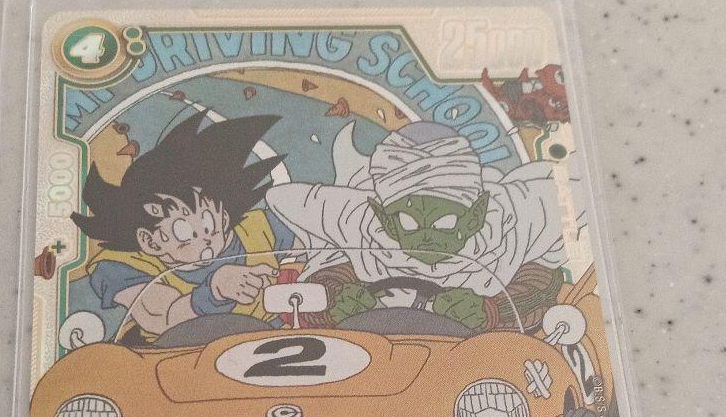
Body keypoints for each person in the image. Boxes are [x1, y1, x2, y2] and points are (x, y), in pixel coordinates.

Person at [265, 121, 567, 330]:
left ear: (476, 215)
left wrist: (492, 309)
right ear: (385, 220)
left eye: (445, 222)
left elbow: (542, 283)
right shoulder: (360, 230)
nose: (426, 238)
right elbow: (328, 277)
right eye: (409, 223)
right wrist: (337, 299)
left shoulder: (518, 221)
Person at [71, 111, 293, 339]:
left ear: (224, 217)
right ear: (149, 241)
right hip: (176, 353)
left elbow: (308, 228)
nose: (205, 239)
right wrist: (215, 290)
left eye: (209, 224)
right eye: (184, 232)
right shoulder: (123, 266)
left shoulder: (260, 229)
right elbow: (162, 317)